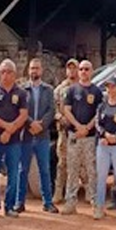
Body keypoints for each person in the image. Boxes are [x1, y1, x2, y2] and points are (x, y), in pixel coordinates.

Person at [0, 59, 28, 218]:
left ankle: (9, 206)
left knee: (13, 173)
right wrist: (5, 127)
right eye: (2, 72)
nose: (6, 75)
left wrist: (10, 131)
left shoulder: (21, 93)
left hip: (14, 141)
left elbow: (23, 115)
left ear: (14, 74)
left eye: (9, 72)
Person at [60, 59, 103, 215]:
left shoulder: (96, 92)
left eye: (87, 69)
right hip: (74, 136)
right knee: (72, 169)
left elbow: (99, 113)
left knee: (92, 170)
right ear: (78, 72)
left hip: (90, 137)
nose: (84, 72)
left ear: (91, 71)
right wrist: (78, 127)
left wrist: (87, 128)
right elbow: (66, 110)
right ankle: (70, 202)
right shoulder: (71, 90)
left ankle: (95, 203)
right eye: (82, 69)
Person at [18, 57, 58, 213]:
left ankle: (47, 202)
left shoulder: (48, 90)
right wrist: (30, 124)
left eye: (37, 68)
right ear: (28, 71)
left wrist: (41, 125)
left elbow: (51, 110)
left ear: (41, 71)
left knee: (45, 170)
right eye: (32, 68)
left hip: (42, 136)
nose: (34, 71)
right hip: (26, 135)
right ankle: (19, 202)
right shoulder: (22, 90)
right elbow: (20, 110)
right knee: (23, 170)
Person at [94, 78, 116, 222]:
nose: (110, 90)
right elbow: (97, 124)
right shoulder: (101, 107)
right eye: (108, 87)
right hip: (103, 146)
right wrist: (105, 135)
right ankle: (99, 207)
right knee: (101, 178)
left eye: (113, 87)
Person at [52, 58, 78, 204]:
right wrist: (59, 117)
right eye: (69, 68)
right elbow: (54, 110)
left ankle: (87, 191)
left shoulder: (83, 88)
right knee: (62, 163)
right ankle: (58, 192)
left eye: (74, 68)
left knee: (82, 164)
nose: (72, 71)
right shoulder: (59, 90)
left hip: (79, 132)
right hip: (64, 132)